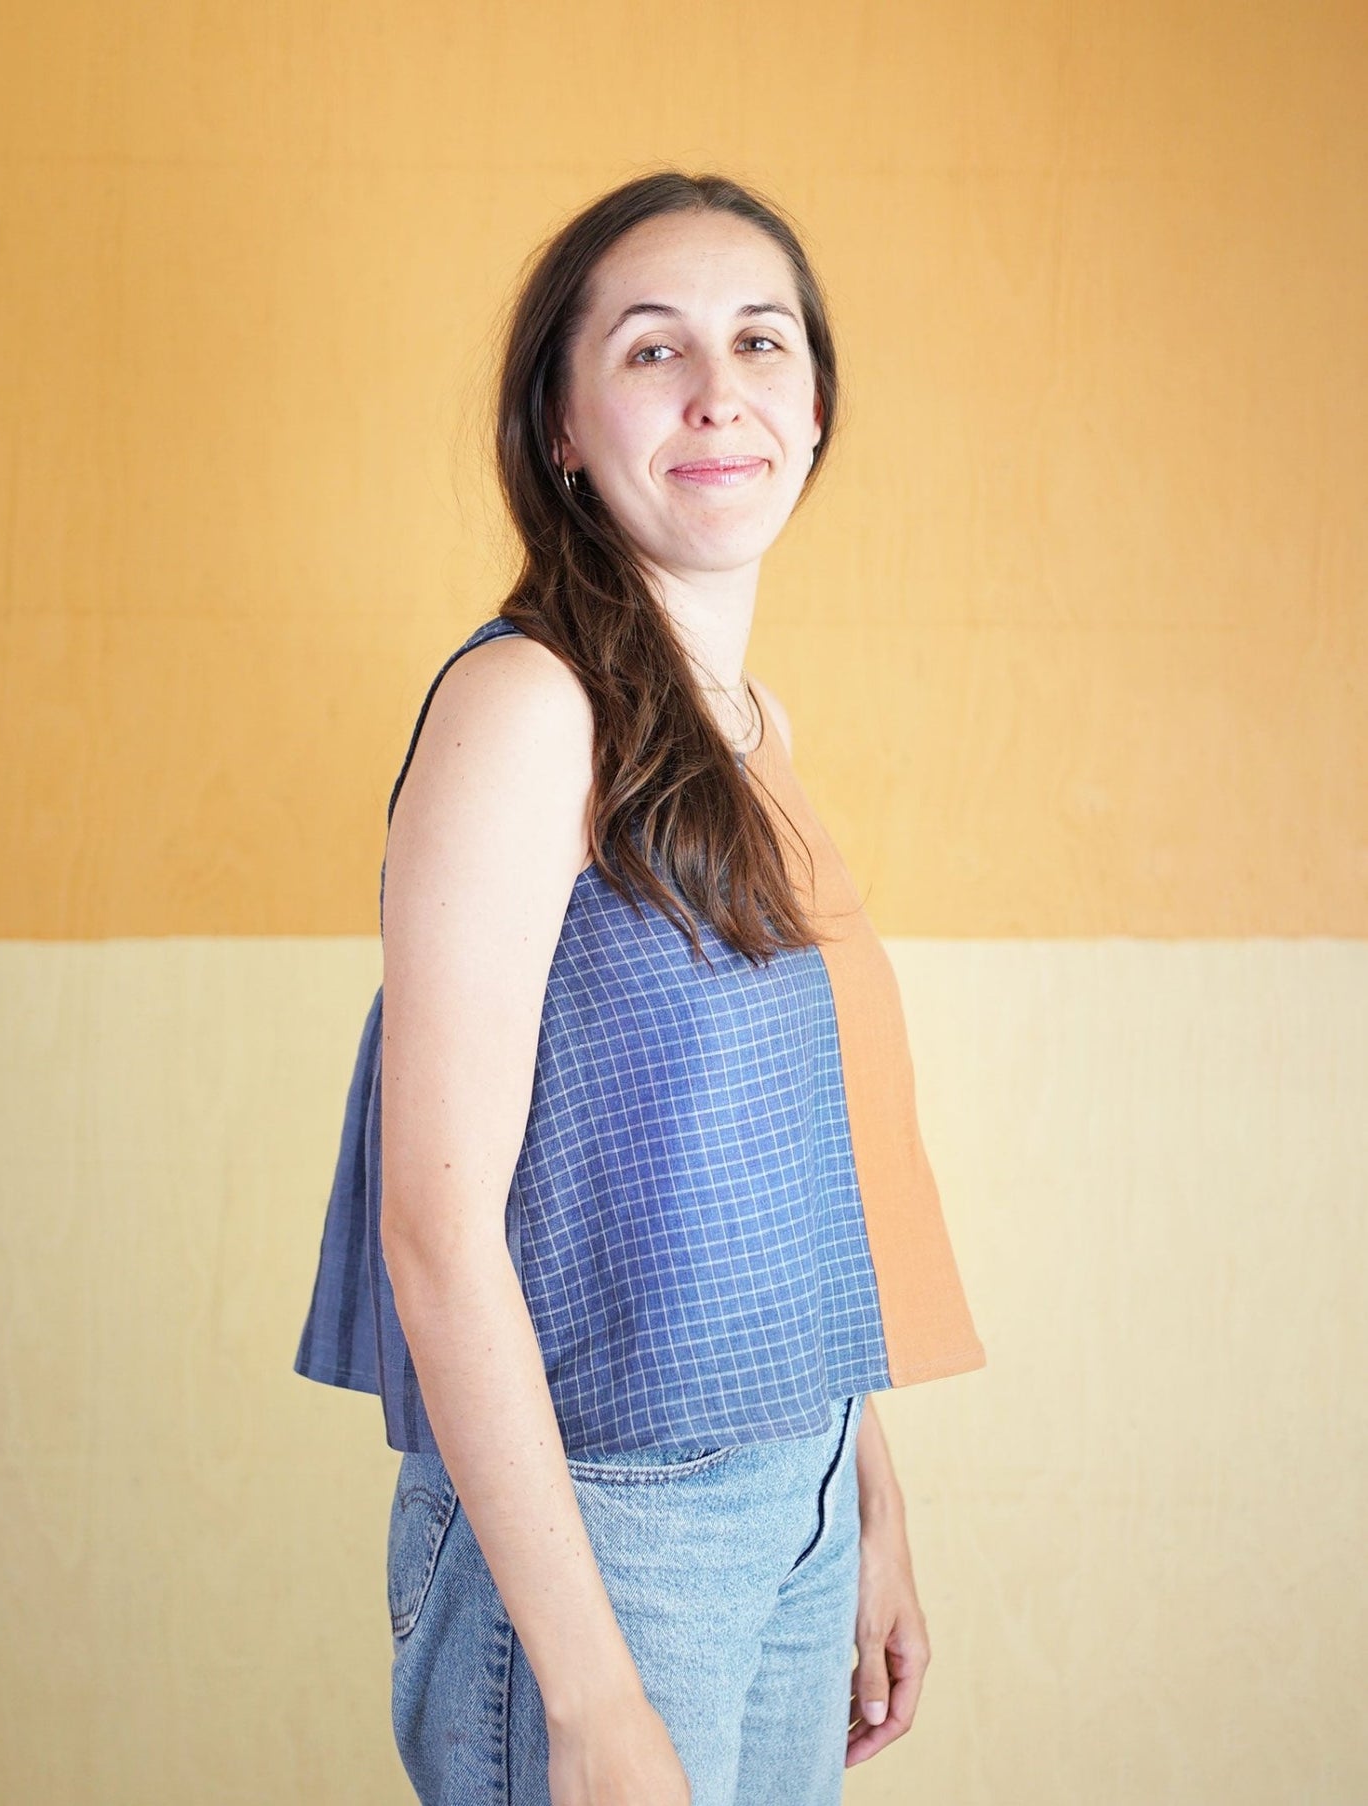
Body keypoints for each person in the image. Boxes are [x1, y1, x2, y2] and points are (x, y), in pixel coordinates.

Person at [294, 169, 986, 1806]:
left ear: (813, 407)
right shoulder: (527, 706)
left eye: (760, 340)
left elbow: (768, 1170)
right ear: (560, 424)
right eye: (652, 348)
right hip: (605, 1527)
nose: (717, 390)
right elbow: (434, 1233)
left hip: (791, 1492)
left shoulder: (751, 723)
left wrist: (865, 1495)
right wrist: (592, 1696)